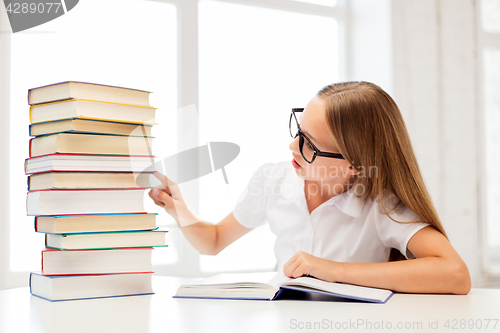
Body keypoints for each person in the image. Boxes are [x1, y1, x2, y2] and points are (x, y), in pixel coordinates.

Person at [149, 81, 471, 295]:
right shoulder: (272, 181)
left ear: (354, 166)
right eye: (297, 131)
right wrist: (179, 208)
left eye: (309, 145)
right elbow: (214, 241)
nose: (292, 146)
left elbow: (455, 274)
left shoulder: (380, 205)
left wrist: (330, 271)